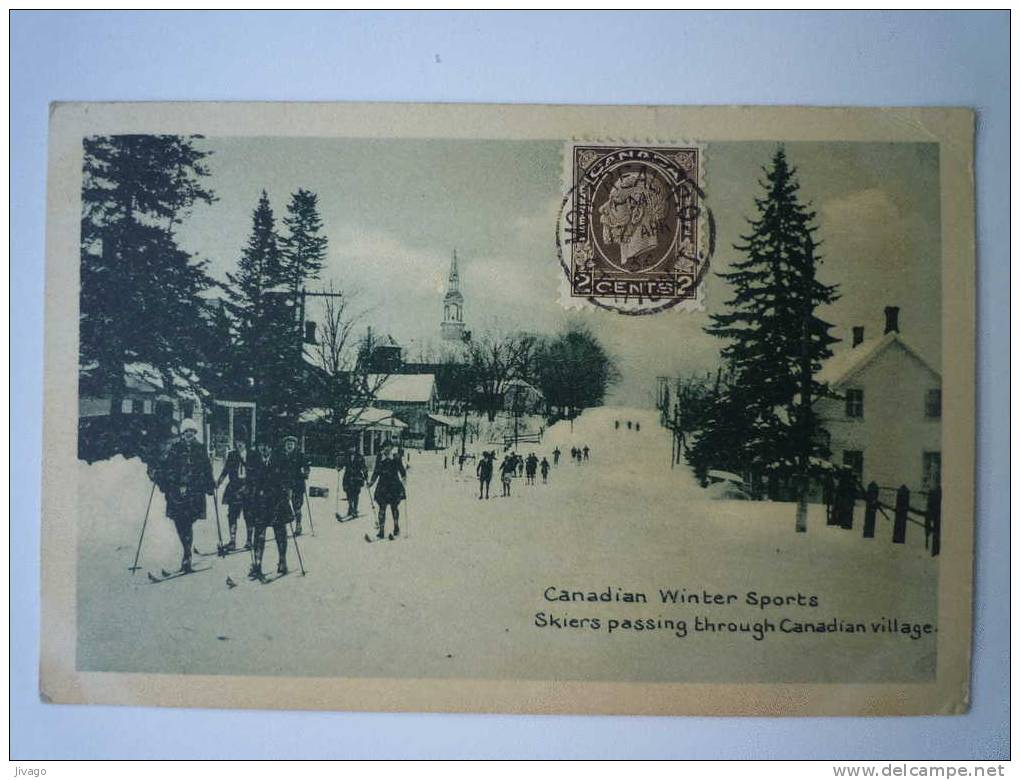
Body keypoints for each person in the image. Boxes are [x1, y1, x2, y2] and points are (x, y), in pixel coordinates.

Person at [158, 418, 214, 573]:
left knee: (187, 521)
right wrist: (162, 479)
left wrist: (210, 484)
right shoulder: (175, 448)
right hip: (176, 491)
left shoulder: (200, 448)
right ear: (182, 433)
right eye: (186, 431)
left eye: (192, 431)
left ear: (194, 433)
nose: (189, 434)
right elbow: (168, 467)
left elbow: (206, 467)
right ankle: (187, 550)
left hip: (194, 491)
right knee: (179, 522)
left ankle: (187, 555)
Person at [246, 436, 289, 579]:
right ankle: (257, 564)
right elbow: (250, 480)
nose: (263, 449)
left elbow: (284, 480)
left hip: (277, 502)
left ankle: (282, 560)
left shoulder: (279, 460)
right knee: (259, 534)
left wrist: (281, 492)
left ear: (271, 447)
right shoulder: (254, 461)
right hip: (260, 504)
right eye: (260, 446)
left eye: (266, 446)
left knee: (280, 532)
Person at [216, 428, 250, 550]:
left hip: (248, 488)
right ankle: (232, 540)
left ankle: (249, 540)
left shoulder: (252, 454)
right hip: (234, 488)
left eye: (241, 441)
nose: (239, 444)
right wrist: (219, 481)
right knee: (232, 515)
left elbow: (257, 472)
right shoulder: (232, 455)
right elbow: (226, 470)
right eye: (237, 441)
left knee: (249, 514)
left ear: (246, 443)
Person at [368, 445, 407, 539]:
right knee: (382, 508)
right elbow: (376, 472)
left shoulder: (396, 458)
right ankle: (381, 531)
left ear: (391, 449)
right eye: (385, 448)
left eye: (388, 448)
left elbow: (402, 471)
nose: (386, 450)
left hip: (394, 486)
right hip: (383, 487)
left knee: (394, 508)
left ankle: (396, 527)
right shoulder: (379, 458)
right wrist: (371, 482)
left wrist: (404, 479)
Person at [279, 434, 311, 536]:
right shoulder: (281, 456)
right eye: (288, 444)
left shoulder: (300, 455)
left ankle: (298, 525)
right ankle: (284, 525)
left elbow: (306, 467)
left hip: (297, 485)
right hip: (285, 485)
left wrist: (305, 473)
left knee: (297, 506)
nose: (289, 446)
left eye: (291, 444)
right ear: (284, 445)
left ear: (295, 445)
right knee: (283, 504)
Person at [341, 446, 368, 519]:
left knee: (356, 494)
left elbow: (364, 467)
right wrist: (339, 467)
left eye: (353, 447)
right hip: (348, 477)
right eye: (350, 447)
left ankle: (354, 509)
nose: (352, 449)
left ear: (356, 448)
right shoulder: (346, 456)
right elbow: (342, 464)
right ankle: (350, 508)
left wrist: (366, 475)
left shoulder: (360, 457)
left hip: (357, 477)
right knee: (348, 493)